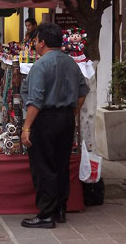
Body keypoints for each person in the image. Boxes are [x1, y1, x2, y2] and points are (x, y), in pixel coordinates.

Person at [20, 23, 89, 229]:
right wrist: (73, 112)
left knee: (44, 166)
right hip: (66, 118)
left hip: (46, 119)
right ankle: (60, 208)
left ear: (42, 42)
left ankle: (46, 214)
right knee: (61, 163)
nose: (35, 44)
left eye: (36, 40)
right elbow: (82, 92)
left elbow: (35, 100)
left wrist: (26, 128)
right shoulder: (71, 63)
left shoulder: (41, 65)